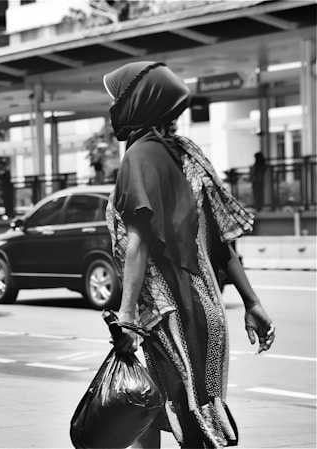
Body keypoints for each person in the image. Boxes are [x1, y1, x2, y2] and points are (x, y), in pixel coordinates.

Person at [102, 61, 276, 448]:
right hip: (209, 314)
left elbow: (139, 243)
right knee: (157, 401)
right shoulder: (189, 155)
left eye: (117, 98)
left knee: (185, 417)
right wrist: (253, 303)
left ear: (138, 103)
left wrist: (127, 318)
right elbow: (222, 246)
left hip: (171, 315)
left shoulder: (140, 158)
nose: (113, 107)